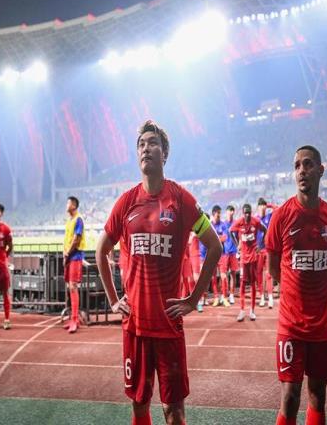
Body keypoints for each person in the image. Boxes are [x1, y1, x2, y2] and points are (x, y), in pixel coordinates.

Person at [95, 120, 222, 425]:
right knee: (139, 405)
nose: (146, 148)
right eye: (141, 144)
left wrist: (193, 299)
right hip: (135, 327)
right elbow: (101, 250)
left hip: (168, 327)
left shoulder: (181, 199)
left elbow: (215, 246)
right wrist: (113, 300)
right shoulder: (126, 202)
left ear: (164, 153)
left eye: (152, 143)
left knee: (173, 411)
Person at [266, 145, 327, 425]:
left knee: (318, 395)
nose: (302, 170)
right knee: (290, 396)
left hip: (322, 324)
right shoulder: (282, 215)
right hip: (291, 324)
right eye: (297, 165)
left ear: (320, 170)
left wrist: (316, 295)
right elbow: (273, 268)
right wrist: (293, 294)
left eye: (308, 164)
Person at [230, 203, 266, 321]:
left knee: (253, 283)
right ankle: (242, 310)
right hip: (243, 259)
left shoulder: (256, 221)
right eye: (245, 213)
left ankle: (252, 310)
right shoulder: (239, 222)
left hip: (253, 257)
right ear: (243, 213)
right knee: (242, 283)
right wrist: (237, 245)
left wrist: (260, 245)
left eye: (249, 213)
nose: (247, 215)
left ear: (251, 212)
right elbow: (231, 231)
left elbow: (265, 230)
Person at [63, 196, 86, 334]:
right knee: (70, 287)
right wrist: (64, 253)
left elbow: (76, 239)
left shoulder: (78, 219)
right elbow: (67, 239)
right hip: (69, 256)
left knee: (73, 286)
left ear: (74, 205)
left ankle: (75, 319)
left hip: (75, 256)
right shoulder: (69, 221)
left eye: (68, 203)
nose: (66, 205)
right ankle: (73, 318)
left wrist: (67, 253)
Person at [256, 197, 273, 309]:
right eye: (261, 205)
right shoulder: (255, 219)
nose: (263, 208)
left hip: (267, 249)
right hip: (258, 251)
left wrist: (269, 205)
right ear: (258, 207)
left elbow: (278, 209)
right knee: (258, 274)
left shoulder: (269, 217)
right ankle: (262, 296)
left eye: (264, 206)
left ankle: (270, 298)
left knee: (269, 274)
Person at [211, 205, 230, 307]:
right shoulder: (210, 225)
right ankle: (216, 298)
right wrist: (218, 237)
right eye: (218, 213)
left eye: (220, 213)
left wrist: (215, 238)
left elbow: (225, 238)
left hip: (222, 254)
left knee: (223, 276)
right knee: (213, 277)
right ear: (213, 214)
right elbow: (208, 239)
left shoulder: (223, 225)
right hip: (212, 255)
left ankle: (225, 298)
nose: (219, 215)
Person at [222, 205, 239, 304]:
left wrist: (239, 249)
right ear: (226, 212)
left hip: (233, 252)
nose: (231, 212)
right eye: (229, 210)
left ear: (234, 212)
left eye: (232, 211)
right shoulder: (223, 224)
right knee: (224, 275)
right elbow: (221, 238)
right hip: (225, 253)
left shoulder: (236, 223)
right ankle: (224, 294)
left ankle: (231, 294)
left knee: (233, 274)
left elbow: (239, 237)